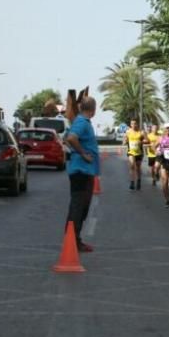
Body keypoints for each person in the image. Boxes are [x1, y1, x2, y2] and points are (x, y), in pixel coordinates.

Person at [63, 95, 101, 253]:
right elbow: (71, 138)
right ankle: (73, 241)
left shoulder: (82, 122)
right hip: (81, 171)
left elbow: (68, 138)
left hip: (84, 171)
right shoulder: (81, 122)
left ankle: (74, 239)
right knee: (79, 206)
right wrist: (84, 154)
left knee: (82, 206)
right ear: (93, 110)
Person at [123, 119, 145, 190]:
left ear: (137, 124)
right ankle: (132, 182)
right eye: (132, 124)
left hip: (139, 152)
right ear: (130, 124)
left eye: (135, 123)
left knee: (138, 167)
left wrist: (141, 142)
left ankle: (138, 181)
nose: (133, 125)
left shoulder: (141, 132)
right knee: (132, 165)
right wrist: (125, 141)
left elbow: (147, 140)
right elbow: (124, 141)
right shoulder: (128, 132)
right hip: (131, 152)